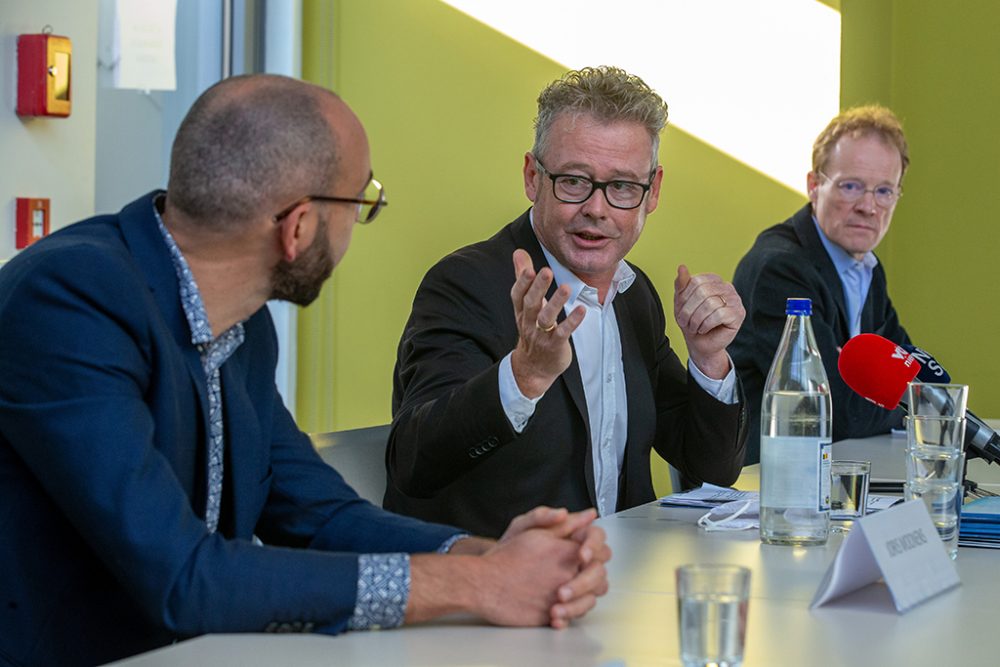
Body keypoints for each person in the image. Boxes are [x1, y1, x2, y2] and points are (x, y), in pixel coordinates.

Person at [0, 74, 610, 667]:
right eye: (361, 202)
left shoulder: (243, 325)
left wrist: (486, 553)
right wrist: (475, 585)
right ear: (297, 228)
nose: (356, 226)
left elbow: (318, 517)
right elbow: (183, 578)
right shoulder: (69, 301)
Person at [385, 66, 748, 538]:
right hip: (503, 589)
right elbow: (413, 462)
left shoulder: (633, 294)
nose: (596, 209)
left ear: (652, 192)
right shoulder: (465, 284)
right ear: (533, 177)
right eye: (575, 181)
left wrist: (709, 358)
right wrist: (524, 376)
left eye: (621, 187)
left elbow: (711, 468)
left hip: (620, 581)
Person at [730, 105, 912, 464]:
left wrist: (901, 397)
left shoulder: (866, 268)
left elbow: (910, 370)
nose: (868, 207)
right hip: (764, 485)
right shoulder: (781, 269)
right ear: (814, 186)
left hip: (833, 469)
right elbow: (835, 412)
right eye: (851, 186)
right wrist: (909, 409)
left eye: (884, 191)